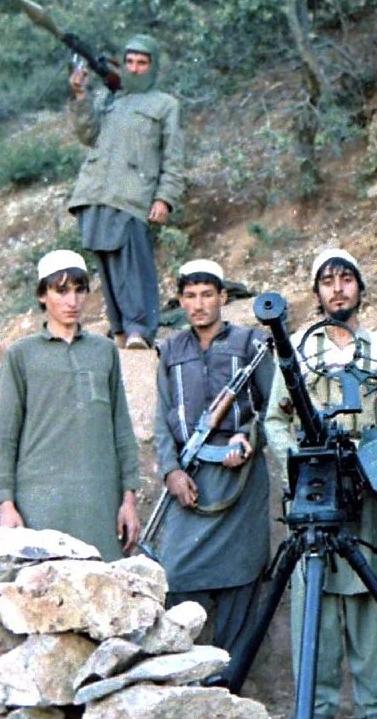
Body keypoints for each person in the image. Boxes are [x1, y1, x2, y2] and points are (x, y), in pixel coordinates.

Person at [264, 248, 377, 719]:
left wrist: (368, 466)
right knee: (313, 628)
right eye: (328, 280)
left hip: (366, 498)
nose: (338, 288)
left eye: (346, 279)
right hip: (314, 500)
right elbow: (274, 421)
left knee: (371, 625)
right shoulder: (296, 351)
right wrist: (301, 467)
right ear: (317, 291)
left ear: (360, 288)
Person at [153, 259, 274, 655]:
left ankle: (229, 685)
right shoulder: (171, 351)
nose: (199, 304)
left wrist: (248, 435)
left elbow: (277, 408)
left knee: (241, 582)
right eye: (190, 296)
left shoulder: (251, 345)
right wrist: (170, 472)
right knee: (176, 575)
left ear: (223, 297)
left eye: (207, 294)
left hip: (240, 485)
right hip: (191, 482)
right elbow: (162, 417)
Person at [0, 249, 141, 562]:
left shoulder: (104, 351)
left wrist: (129, 498)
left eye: (79, 290)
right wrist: (5, 503)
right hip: (40, 503)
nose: (72, 301)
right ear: (43, 295)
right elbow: (6, 434)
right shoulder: (22, 355)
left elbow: (121, 428)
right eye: (61, 291)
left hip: (100, 503)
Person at [68, 34, 184, 350]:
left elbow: (173, 158)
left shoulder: (164, 105)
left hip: (133, 194)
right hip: (94, 191)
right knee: (105, 265)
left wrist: (164, 198)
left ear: (153, 66)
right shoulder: (109, 99)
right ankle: (119, 329)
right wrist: (81, 97)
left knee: (133, 264)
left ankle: (140, 329)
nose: (135, 68)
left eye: (142, 62)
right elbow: (88, 135)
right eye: (130, 61)